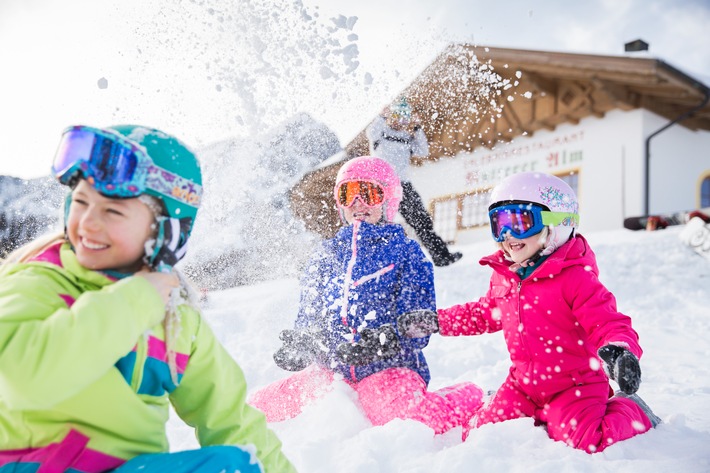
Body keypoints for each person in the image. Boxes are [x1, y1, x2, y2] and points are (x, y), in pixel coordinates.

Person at [0, 125, 296, 473]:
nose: (89, 224)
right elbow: (21, 378)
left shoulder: (177, 323)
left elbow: (233, 422)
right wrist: (133, 302)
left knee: (232, 466)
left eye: (113, 211)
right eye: (80, 202)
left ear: (165, 232)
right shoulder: (37, 282)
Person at [398, 171, 661, 453]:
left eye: (521, 222)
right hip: (523, 384)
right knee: (480, 432)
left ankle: (633, 410)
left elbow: (608, 322)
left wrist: (620, 351)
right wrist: (437, 321)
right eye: (499, 224)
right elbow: (484, 313)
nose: (508, 235)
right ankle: (521, 407)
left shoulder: (576, 278)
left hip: (574, 386)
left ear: (556, 223)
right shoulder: (507, 276)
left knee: (585, 440)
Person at [249, 156, 482, 436]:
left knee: (407, 423)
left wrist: (387, 339)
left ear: (389, 200)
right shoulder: (324, 257)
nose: (358, 202)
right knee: (255, 410)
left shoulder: (406, 253)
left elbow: (421, 322)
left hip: (388, 370)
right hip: (332, 374)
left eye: (369, 193)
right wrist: (304, 342)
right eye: (347, 194)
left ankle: (471, 395)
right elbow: (308, 315)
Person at [366, 97, 462, 267]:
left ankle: (441, 256)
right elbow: (371, 132)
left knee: (422, 221)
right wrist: (382, 116)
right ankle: (373, 262)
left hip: (402, 185)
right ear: (391, 117)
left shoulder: (407, 137)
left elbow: (423, 151)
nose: (400, 122)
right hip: (381, 185)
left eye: (405, 119)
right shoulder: (380, 133)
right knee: (378, 222)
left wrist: (417, 128)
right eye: (397, 117)